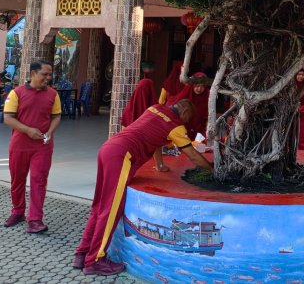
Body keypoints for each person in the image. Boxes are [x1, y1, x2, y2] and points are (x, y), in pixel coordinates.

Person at [74, 99, 213, 276]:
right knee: (110, 210)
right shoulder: (176, 126)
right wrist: (213, 171)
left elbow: (155, 141)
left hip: (108, 149)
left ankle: (82, 253)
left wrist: (160, 165)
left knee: (99, 206)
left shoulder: (154, 109)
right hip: (122, 156)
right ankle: (94, 261)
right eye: (188, 117)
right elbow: (193, 156)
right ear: (185, 111)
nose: (187, 122)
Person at [3, 61, 61, 233]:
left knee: (39, 180)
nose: (48, 78)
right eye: (45, 74)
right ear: (33, 73)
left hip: (43, 145)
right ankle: (18, 211)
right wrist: (28, 130)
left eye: (50, 74)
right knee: (17, 180)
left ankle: (35, 219)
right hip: (19, 145)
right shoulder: (16, 93)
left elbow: (56, 116)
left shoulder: (53, 94)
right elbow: (8, 118)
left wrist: (50, 132)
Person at [185, 72, 210, 140]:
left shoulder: (207, 96)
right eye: (197, 86)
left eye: (202, 86)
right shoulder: (186, 94)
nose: (199, 89)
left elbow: (208, 116)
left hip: (199, 131)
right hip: (183, 129)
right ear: (193, 85)